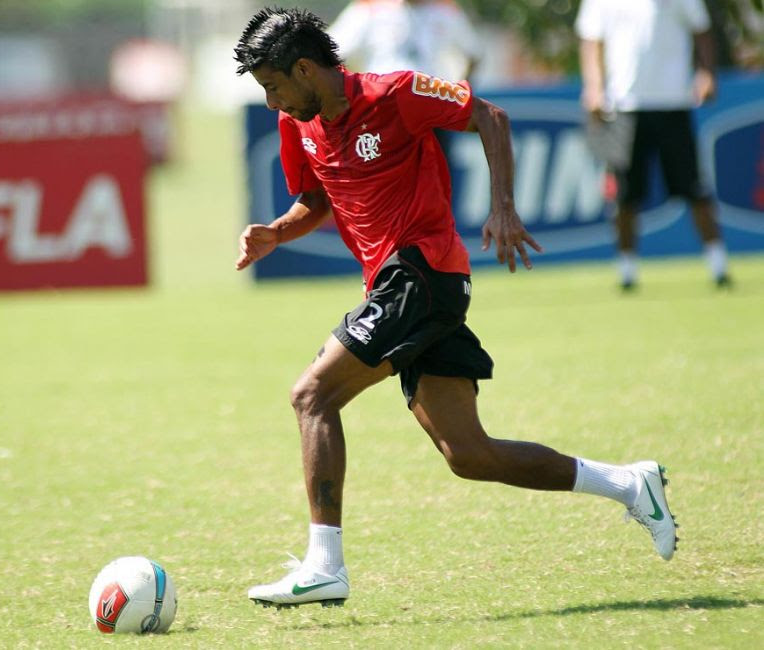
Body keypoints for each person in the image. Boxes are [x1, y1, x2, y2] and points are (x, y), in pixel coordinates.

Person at [233, 7, 677, 609]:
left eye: (273, 85)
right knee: (469, 455)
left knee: (312, 395)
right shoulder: (298, 124)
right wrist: (276, 234)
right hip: (398, 288)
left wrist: (502, 207)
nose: (271, 102)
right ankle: (630, 484)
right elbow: (315, 199)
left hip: (422, 272)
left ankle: (324, 565)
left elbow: (490, 116)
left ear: (306, 68)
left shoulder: (398, 92)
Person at [576, 0, 731, 290]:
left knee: (694, 187)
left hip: (673, 103)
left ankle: (718, 264)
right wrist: (594, 86)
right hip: (623, 104)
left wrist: (707, 71)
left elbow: (703, 30)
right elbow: (590, 40)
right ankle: (626, 270)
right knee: (624, 194)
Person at [329, 0, 482, 80]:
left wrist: (459, 93)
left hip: (432, 107)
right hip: (385, 106)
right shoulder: (370, 9)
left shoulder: (445, 9)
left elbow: (474, 54)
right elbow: (329, 51)